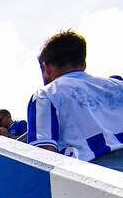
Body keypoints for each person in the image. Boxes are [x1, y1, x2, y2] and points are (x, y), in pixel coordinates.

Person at [26, 30, 123, 171]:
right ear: (83, 63)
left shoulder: (45, 95)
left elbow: (43, 156)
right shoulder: (118, 86)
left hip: (95, 175)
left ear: (46, 67)